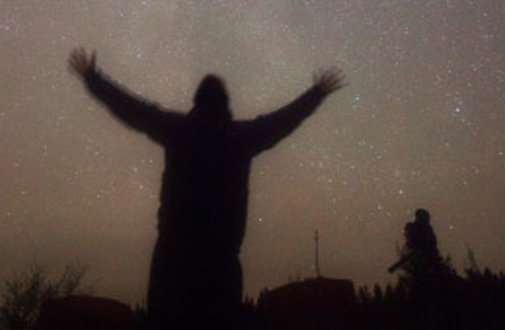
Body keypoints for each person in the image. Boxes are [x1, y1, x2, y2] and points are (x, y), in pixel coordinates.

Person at [69, 48, 345, 330]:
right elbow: (284, 119)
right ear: (226, 104)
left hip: (172, 261)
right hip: (221, 263)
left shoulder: (178, 129)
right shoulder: (241, 136)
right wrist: (317, 93)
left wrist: (93, 79)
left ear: (196, 102)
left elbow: (132, 109)